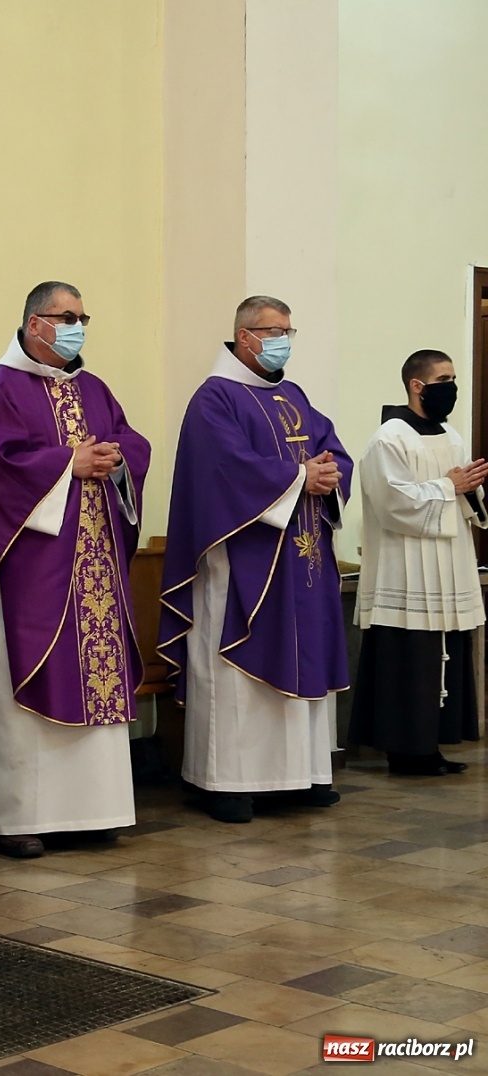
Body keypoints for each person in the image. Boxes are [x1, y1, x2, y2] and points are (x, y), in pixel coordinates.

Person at [0, 282, 149, 859]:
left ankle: (97, 810)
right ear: (33, 324)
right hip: (27, 573)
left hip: (94, 567)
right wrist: (65, 463)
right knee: (20, 685)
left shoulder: (95, 389)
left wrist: (119, 458)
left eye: (82, 316)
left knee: (94, 677)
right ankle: (16, 818)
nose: (77, 326)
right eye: (65, 316)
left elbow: (129, 440)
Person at [160, 296, 350, 823]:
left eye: (289, 329)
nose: (284, 339)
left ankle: (305, 772)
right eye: (274, 330)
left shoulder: (292, 394)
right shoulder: (213, 400)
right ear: (245, 336)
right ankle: (228, 782)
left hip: (301, 560)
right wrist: (298, 478)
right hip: (243, 560)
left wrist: (330, 474)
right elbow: (225, 470)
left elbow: (330, 446)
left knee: (303, 652)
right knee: (236, 670)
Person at [350, 350, 487, 775]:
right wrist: (449, 486)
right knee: (408, 658)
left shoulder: (451, 434)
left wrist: (469, 490)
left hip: (447, 562)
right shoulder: (389, 438)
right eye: (444, 378)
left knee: (445, 653)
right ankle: (404, 750)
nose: (452, 387)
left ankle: (431, 746)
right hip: (406, 565)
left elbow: (461, 494)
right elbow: (393, 503)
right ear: (417, 385)